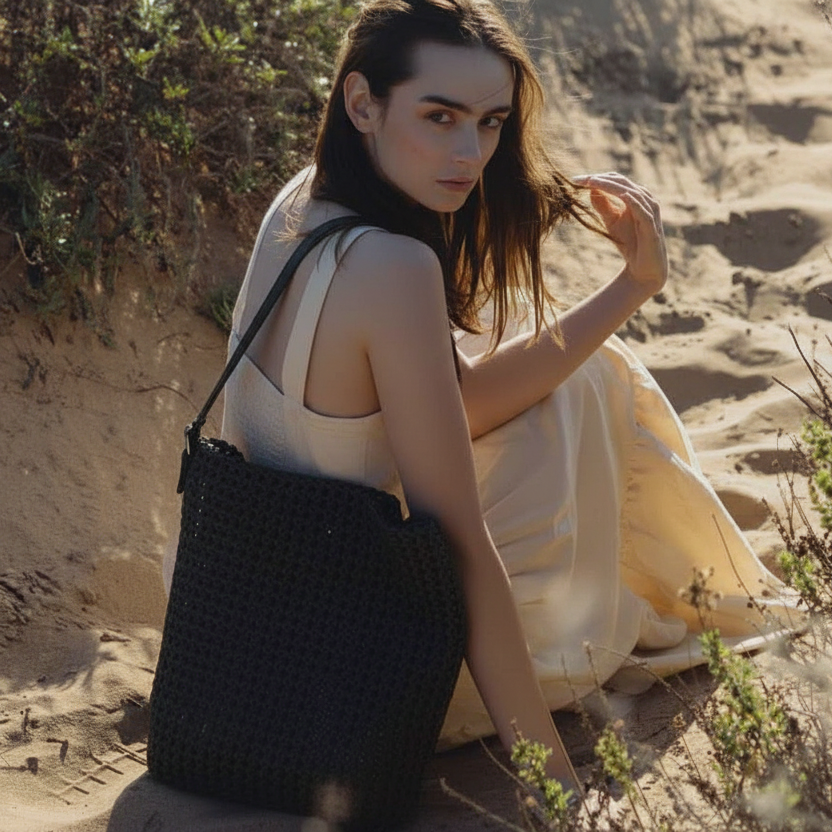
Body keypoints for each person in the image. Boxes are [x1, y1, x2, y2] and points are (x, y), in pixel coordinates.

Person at [164, 0, 797, 802]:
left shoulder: (303, 200)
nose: (470, 154)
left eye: (491, 122)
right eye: (440, 117)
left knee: (578, 371)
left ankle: (660, 587)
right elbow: (456, 538)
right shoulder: (394, 267)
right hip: (352, 678)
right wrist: (553, 784)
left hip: (239, 626)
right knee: (590, 394)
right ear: (363, 102)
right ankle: (662, 601)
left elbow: (452, 408)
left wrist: (632, 288)